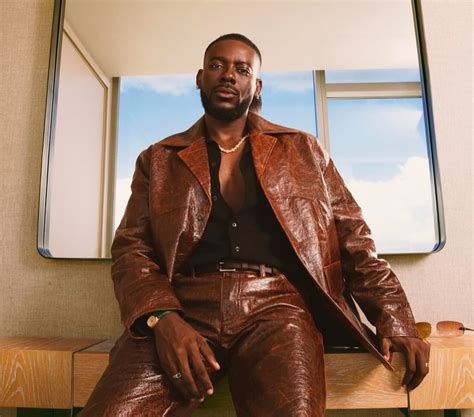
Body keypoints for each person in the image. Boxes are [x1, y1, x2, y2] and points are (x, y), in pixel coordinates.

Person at [80, 33, 430, 417]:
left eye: (242, 69)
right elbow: (132, 249)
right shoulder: (159, 159)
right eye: (217, 65)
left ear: (256, 85)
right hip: (183, 308)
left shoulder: (303, 150)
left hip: (277, 309)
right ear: (200, 78)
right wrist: (162, 318)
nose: (228, 74)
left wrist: (396, 320)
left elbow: (355, 242)